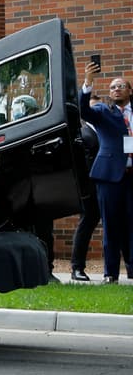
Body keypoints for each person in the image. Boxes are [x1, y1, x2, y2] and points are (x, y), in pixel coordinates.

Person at [79, 62, 133, 284]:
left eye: (120, 86)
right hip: (109, 176)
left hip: (132, 177)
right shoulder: (103, 111)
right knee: (111, 225)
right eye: (112, 87)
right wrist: (88, 82)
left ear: (130, 90)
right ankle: (111, 273)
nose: (116, 89)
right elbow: (84, 110)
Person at [70, 93, 102, 281]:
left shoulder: (105, 131)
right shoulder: (83, 134)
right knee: (86, 226)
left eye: (99, 108)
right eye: (92, 108)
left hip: (108, 188)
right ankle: (77, 268)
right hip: (90, 190)